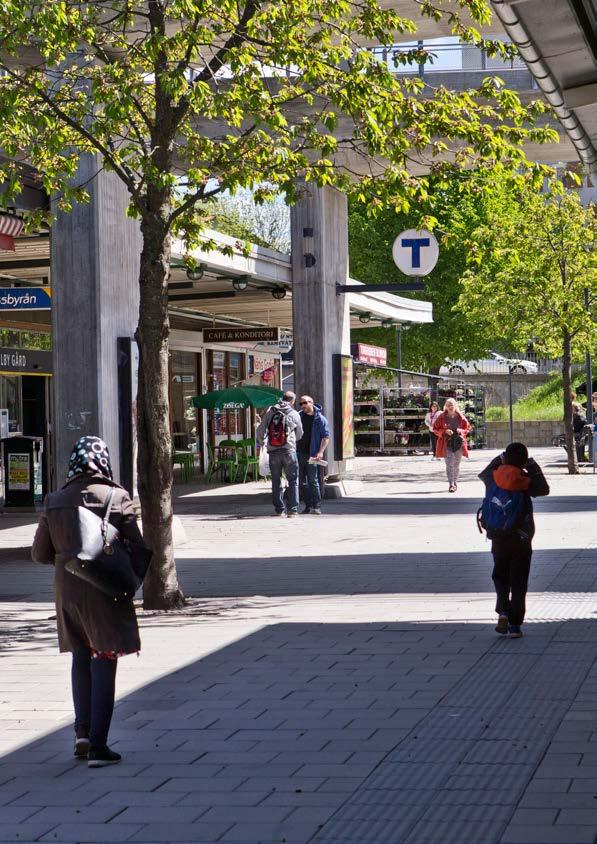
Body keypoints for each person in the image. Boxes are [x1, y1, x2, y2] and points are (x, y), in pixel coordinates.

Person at [31, 436, 149, 768]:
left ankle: (81, 735)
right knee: (104, 657)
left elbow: (40, 554)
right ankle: (99, 746)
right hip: (104, 589)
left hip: (67, 592)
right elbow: (138, 547)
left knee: (80, 656)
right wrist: (130, 578)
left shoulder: (54, 500)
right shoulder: (117, 496)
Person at [479, 442, 549, 639]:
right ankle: (516, 625)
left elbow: (483, 472)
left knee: (500, 576)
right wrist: (532, 466)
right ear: (523, 460)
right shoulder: (525, 480)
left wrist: (501, 459)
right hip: (521, 537)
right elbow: (544, 489)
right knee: (519, 581)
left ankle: (503, 611)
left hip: (498, 536)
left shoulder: (492, 478)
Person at [256, 391, 303, 517]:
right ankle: (292, 510)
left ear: (282, 398)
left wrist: (263, 443)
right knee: (293, 480)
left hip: (273, 451)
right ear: (292, 401)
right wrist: (292, 440)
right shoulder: (294, 413)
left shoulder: (270, 412)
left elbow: (260, 430)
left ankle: (279, 510)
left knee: (276, 481)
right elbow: (300, 434)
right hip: (289, 451)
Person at [297, 395, 330, 515]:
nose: (303, 406)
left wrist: (320, 452)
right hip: (299, 453)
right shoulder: (299, 416)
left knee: (313, 480)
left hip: (312, 455)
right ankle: (308, 505)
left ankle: (317, 505)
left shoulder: (319, 419)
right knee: (302, 481)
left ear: (311, 403)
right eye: (301, 403)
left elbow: (326, 437)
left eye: (305, 403)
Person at [432, 398, 471, 492]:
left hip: (458, 443)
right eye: (448, 405)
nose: (450, 407)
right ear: (445, 406)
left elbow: (468, 428)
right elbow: (435, 429)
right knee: (449, 464)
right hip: (447, 443)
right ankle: (451, 484)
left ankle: (455, 481)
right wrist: (445, 431)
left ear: (455, 406)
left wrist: (460, 431)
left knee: (456, 464)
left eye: (452, 405)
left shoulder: (460, 417)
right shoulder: (441, 416)